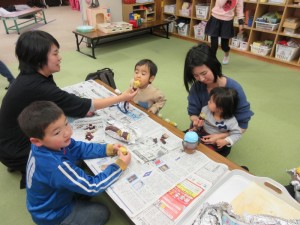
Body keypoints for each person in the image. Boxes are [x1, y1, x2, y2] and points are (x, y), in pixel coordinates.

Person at [0, 30, 137, 189]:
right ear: (39, 57)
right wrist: (122, 97)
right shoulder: (38, 86)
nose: (60, 57)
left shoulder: (30, 76)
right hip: (17, 150)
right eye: (55, 53)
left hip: (8, 142)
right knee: (72, 157)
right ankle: (24, 167)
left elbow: (64, 102)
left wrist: (79, 108)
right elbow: (83, 104)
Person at [17, 101, 131, 225]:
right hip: (53, 214)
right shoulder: (56, 165)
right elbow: (92, 187)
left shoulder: (43, 145)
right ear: (37, 141)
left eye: (66, 124)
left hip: (46, 200)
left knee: (77, 162)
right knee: (101, 212)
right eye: (57, 132)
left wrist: (108, 149)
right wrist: (119, 166)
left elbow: (78, 147)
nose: (67, 132)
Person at [184, 43, 253, 150]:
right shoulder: (197, 87)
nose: (201, 79)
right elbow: (193, 112)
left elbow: (242, 125)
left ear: (213, 65)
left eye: (204, 73)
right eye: (196, 75)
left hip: (221, 138)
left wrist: (221, 136)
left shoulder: (234, 89)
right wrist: (196, 121)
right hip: (200, 131)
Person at [191, 87, 242, 157]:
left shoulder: (231, 121)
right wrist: (197, 126)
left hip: (216, 141)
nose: (208, 102)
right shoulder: (205, 109)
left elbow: (237, 133)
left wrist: (226, 141)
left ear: (220, 109)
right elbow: (200, 120)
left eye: (211, 101)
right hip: (203, 133)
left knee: (206, 153)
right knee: (188, 138)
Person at [205, 0, 244, 64]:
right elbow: (220, 4)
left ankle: (226, 54)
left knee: (224, 45)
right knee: (214, 45)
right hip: (215, 17)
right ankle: (212, 61)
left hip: (227, 21)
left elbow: (239, 8)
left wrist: (240, 22)